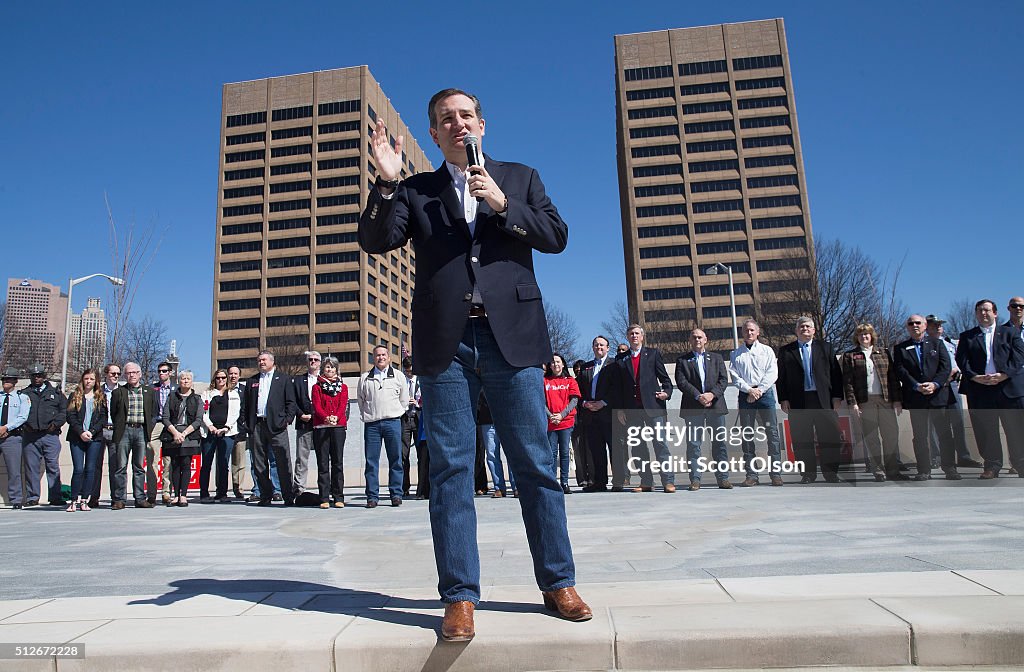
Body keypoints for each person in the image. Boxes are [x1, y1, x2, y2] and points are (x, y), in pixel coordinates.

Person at [358, 87, 590, 641]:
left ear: (481, 124)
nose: (458, 125)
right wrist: (387, 182)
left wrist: (505, 208)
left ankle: (558, 582)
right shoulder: (417, 190)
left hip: (513, 339)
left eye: (466, 116)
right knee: (452, 471)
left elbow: (557, 235)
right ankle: (459, 597)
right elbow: (374, 240)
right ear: (435, 135)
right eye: (446, 120)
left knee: (535, 462)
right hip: (447, 344)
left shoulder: (520, 177)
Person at [955, 299, 1024, 478]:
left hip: (1008, 389)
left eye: (987, 310)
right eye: (979, 311)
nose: (983, 314)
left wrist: (1003, 375)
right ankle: (992, 466)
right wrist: (975, 377)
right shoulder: (967, 336)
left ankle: (1021, 464)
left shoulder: (1010, 333)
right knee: (986, 430)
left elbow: (1018, 358)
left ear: (995, 313)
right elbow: (962, 360)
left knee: (1016, 429)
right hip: (980, 390)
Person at [776, 317, 844, 483]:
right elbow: (781, 377)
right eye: (801, 326)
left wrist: (837, 396)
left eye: (808, 326)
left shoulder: (825, 348)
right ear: (796, 330)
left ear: (814, 330)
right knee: (801, 439)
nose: (804, 329)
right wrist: (783, 398)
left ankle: (831, 473)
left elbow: (835, 374)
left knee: (829, 437)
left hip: (824, 399)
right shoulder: (786, 351)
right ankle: (808, 474)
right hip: (798, 400)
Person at [893, 314, 960, 480]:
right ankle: (924, 470)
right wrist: (916, 386)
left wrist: (935, 384)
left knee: (944, 434)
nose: (914, 325)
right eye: (911, 323)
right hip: (916, 398)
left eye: (918, 323)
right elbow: (901, 370)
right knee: (920, 436)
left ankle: (950, 468)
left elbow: (945, 368)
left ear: (924, 326)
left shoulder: (938, 343)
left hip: (938, 397)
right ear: (907, 327)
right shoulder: (901, 348)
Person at [840, 324, 904, 482]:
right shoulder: (850, 355)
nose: (864, 337)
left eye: (867, 334)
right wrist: (852, 402)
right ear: (857, 337)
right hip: (865, 401)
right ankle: (878, 471)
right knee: (872, 437)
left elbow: (893, 378)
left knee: (890, 435)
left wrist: (897, 400)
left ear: (872, 335)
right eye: (861, 334)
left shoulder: (883, 352)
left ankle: (893, 470)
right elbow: (848, 382)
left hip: (885, 400)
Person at [616, 324, 676, 493]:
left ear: (642, 336)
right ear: (627, 337)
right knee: (638, 446)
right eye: (631, 334)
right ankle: (646, 481)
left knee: (660, 444)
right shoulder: (621, 359)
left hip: (653, 407)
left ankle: (668, 481)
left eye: (637, 333)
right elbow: (620, 388)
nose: (634, 336)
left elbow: (665, 379)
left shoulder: (653, 354)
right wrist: (620, 409)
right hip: (632, 410)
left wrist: (667, 392)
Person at [729, 320, 783, 487]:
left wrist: (759, 390)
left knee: (772, 434)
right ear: (742, 333)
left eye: (752, 330)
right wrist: (749, 390)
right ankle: (751, 475)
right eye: (746, 330)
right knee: (747, 437)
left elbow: (772, 372)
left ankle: (776, 474)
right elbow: (735, 376)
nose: (749, 333)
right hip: (746, 397)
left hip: (765, 396)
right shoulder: (735, 353)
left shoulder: (767, 351)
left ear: (758, 332)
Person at [675, 328, 730, 490]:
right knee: (693, 444)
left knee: (719, 443)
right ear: (690, 341)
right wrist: (699, 396)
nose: (697, 339)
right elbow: (682, 382)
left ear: (706, 339)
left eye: (700, 337)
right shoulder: (682, 360)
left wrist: (712, 395)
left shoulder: (716, 358)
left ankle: (723, 478)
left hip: (716, 406)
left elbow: (723, 380)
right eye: (694, 337)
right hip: (693, 407)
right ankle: (695, 479)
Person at [242, 350, 297, 506]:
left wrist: (286, 420)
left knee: (283, 461)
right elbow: (246, 405)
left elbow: (291, 403)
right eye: (259, 360)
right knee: (259, 463)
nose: (261, 363)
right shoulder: (252, 381)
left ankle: (287, 495)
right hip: (257, 426)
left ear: (272, 362)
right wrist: (247, 424)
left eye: (264, 360)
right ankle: (265, 495)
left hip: (277, 426)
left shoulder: (284, 379)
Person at [356, 345, 408, 508]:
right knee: (371, 462)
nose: (381, 358)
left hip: (392, 422)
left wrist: (396, 412)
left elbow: (404, 400)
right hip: (372, 425)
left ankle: (396, 494)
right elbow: (361, 400)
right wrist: (370, 414)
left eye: (384, 355)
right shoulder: (365, 378)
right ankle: (372, 496)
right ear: (373, 358)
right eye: (378, 355)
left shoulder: (398, 376)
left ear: (389, 357)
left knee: (396, 460)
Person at [925, 315, 980, 469]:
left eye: (939, 325)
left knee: (958, 421)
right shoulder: (925, 344)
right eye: (933, 325)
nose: (937, 327)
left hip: (953, 384)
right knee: (935, 424)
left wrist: (955, 372)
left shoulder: (950, 343)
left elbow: (959, 362)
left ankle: (963, 456)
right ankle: (936, 457)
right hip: (936, 387)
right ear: (926, 327)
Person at [578, 336, 625, 492]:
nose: (599, 347)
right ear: (592, 348)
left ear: (608, 347)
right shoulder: (586, 367)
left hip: (609, 413)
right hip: (591, 415)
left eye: (602, 345)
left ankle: (618, 481)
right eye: (596, 345)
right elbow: (579, 391)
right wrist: (585, 403)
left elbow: (618, 388)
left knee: (615, 449)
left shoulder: (615, 365)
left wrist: (603, 403)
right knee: (596, 450)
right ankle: (599, 482)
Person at [109, 362, 156, 509]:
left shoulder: (149, 392)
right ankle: (119, 499)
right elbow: (114, 412)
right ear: (125, 375)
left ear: (140, 374)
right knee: (121, 466)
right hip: (124, 431)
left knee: (139, 467)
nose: (132, 375)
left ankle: (140, 498)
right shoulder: (118, 392)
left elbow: (153, 413)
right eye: (129, 373)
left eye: (135, 372)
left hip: (141, 431)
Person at [21, 362, 67, 507]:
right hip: (30, 436)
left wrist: (56, 424)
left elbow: (64, 410)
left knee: (53, 467)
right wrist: (24, 425)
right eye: (34, 376)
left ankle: (55, 497)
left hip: (50, 435)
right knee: (31, 468)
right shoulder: (23, 394)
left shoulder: (55, 393)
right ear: (30, 377)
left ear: (44, 376)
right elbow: (18, 414)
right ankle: (32, 497)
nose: (36, 378)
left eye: (39, 375)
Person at [65, 369, 107, 511]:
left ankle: (84, 499)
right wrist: (81, 432)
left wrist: (92, 431)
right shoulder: (74, 395)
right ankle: (73, 500)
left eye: (91, 379)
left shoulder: (100, 397)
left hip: (94, 438)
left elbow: (103, 418)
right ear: (82, 380)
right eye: (86, 378)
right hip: (77, 437)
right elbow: (70, 417)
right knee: (78, 469)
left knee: (90, 469)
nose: (88, 381)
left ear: (96, 382)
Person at [160, 370, 203, 506]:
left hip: (189, 435)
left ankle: (184, 495)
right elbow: (165, 418)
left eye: (188, 379)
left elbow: (198, 420)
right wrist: (175, 433)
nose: (185, 381)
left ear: (192, 382)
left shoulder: (197, 398)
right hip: (172, 433)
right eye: (183, 378)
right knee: (174, 465)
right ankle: (176, 495)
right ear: (179, 381)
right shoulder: (171, 396)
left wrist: (184, 434)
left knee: (185, 464)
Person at [311, 356, 349, 508]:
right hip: (321, 427)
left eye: (332, 368)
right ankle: (324, 498)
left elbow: (343, 404)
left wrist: (336, 418)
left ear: (336, 370)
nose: (330, 370)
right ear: (323, 369)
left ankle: (338, 496)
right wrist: (326, 418)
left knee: (338, 463)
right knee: (323, 463)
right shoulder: (317, 387)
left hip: (338, 427)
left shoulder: (343, 387)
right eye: (327, 367)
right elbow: (317, 405)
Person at [200, 369, 242, 503]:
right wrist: (210, 426)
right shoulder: (207, 394)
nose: (221, 380)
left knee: (223, 463)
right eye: (218, 378)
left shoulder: (233, 394)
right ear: (214, 379)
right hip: (210, 433)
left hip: (227, 433)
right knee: (206, 463)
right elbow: (203, 412)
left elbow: (235, 413)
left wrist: (226, 427)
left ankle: (222, 493)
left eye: (224, 378)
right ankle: (204, 493)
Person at [544, 353, 580, 494]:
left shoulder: (570, 381)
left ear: (563, 364)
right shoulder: (545, 381)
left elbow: (574, 400)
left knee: (564, 453)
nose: (555, 364)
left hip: (566, 422)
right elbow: (541, 401)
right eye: (552, 362)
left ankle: (564, 482)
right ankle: (552, 482)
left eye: (558, 362)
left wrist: (561, 415)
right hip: (551, 422)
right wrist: (551, 415)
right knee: (551, 454)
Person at [88, 363, 121, 508]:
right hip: (100, 430)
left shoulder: (122, 391)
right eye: (113, 374)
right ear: (106, 374)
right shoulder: (97, 391)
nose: (116, 376)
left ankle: (116, 498)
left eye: (118, 374)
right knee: (96, 465)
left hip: (115, 430)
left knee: (115, 465)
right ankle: (94, 496)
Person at [0, 367, 31, 509]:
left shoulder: (22, 398)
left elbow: (23, 417)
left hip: (12, 437)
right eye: (4, 379)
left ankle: (16, 499)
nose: (5, 381)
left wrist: (6, 428)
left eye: (9, 379)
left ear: (15, 381)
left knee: (14, 470)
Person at [292, 350, 321, 495]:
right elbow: (292, 401)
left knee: (324, 458)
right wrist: (300, 414)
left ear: (320, 362)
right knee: (301, 458)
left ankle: (325, 487)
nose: (313, 362)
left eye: (316, 359)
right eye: (310, 359)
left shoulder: (325, 379)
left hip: (322, 424)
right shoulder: (298, 380)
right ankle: (298, 488)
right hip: (304, 423)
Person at [149, 362, 176, 505]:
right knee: (152, 460)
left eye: (164, 371)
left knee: (168, 461)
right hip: (156, 424)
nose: (161, 373)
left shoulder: (176, 388)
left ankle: (166, 493)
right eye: (159, 371)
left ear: (170, 373)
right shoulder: (152, 388)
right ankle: (152, 494)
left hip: (170, 426)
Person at [478, 393, 515, 497]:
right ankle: (499, 488)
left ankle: (516, 486)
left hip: (506, 419)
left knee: (511, 454)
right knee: (491, 455)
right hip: (487, 420)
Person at [400, 357, 422, 498]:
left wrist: (418, 403)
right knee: (403, 455)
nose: (409, 373)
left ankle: (422, 487)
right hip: (404, 418)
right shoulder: (400, 381)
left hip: (418, 418)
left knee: (422, 454)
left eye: (411, 371)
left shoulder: (421, 380)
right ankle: (404, 487)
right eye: (407, 371)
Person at [226, 366, 249, 499]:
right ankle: (221, 489)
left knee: (239, 462)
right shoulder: (222, 389)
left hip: (240, 430)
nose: (233, 376)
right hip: (224, 431)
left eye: (235, 374)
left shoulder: (244, 390)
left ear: (239, 376)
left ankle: (238, 488)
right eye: (231, 373)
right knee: (223, 461)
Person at [569, 359, 592, 489]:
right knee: (578, 451)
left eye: (581, 370)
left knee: (589, 450)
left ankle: (592, 478)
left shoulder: (589, 384)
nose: (579, 373)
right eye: (577, 371)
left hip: (588, 420)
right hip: (575, 421)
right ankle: (582, 478)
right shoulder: (573, 383)